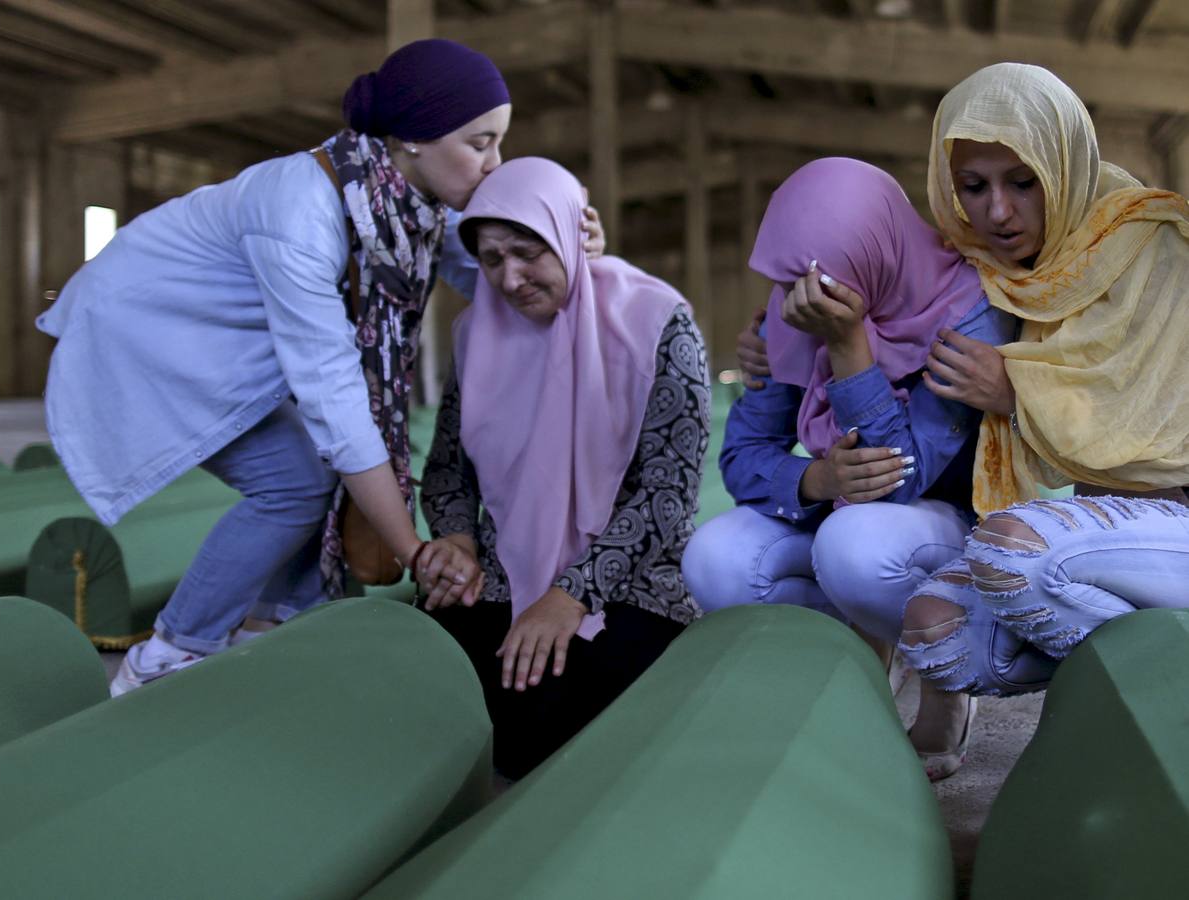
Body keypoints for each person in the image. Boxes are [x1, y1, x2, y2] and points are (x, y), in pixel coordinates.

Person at [39, 39, 602, 695]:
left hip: (219, 340)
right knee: (298, 482)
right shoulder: (301, 211)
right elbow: (335, 401)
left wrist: (573, 247)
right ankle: (164, 656)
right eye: (480, 143)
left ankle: (270, 631)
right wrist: (411, 548)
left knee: (311, 478)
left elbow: (494, 277)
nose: (493, 164)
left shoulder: (409, 204)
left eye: (499, 143)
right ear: (414, 138)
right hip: (142, 333)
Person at [889, 62, 1189, 773]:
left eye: (1021, 182)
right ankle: (952, 726)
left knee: (1009, 549)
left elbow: (1157, 423)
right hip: (1112, 539)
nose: (997, 212)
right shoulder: (1018, 271)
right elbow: (893, 306)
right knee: (930, 625)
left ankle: (1145, 706)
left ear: (1064, 161)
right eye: (974, 187)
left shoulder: (1153, 243)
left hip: (1177, 517)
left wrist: (1016, 392)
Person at [681, 157, 1016, 779]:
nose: (799, 302)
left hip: (945, 524)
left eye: (820, 283)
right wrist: (815, 480)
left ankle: (946, 673)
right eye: (789, 281)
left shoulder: (967, 311)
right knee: (715, 556)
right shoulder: (795, 307)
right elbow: (743, 456)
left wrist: (847, 343)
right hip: (845, 501)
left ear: (872, 252)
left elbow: (900, 476)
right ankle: (858, 668)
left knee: (854, 544)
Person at [417, 157, 709, 780]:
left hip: (628, 579)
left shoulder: (655, 323)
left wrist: (571, 594)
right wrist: (457, 538)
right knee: (420, 678)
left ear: (568, 235)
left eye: (527, 252)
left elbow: (668, 494)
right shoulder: (476, 335)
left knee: (539, 721)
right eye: (491, 260)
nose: (510, 278)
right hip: (500, 570)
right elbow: (445, 469)